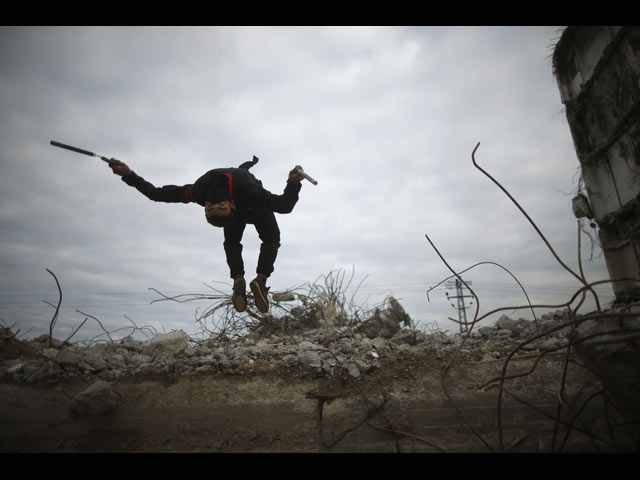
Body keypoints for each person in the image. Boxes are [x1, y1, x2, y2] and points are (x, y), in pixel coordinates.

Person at [109, 157, 304, 314]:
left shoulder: (211, 192)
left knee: (242, 241)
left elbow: (284, 206)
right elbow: (156, 195)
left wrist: (292, 182)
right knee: (259, 240)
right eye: (213, 206)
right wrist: (128, 174)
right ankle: (257, 280)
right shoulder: (199, 194)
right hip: (244, 204)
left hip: (253, 205)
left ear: (207, 207)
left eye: (214, 206)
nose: (213, 203)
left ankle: (241, 277)